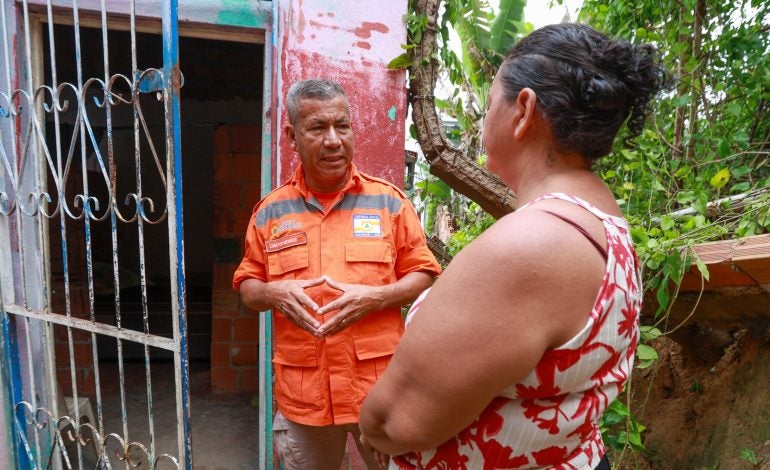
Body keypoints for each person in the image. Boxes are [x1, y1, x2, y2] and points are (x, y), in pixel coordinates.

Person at [359, 23, 667, 469]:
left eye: (489, 105)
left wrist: (372, 430)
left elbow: (399, 422)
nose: (485, 120)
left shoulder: (533, 244)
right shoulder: (605, 222)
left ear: (523, 110)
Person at [233, 78, 441, 470]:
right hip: (305, 400)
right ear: (292, 136)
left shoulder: (389, 203)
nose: (333, 140)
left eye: (342, 126)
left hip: (378, 394)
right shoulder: (270, 212)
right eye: (318, 128)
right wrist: (275, 293)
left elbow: (425, 274)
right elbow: (248, 285)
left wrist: (375, 298)